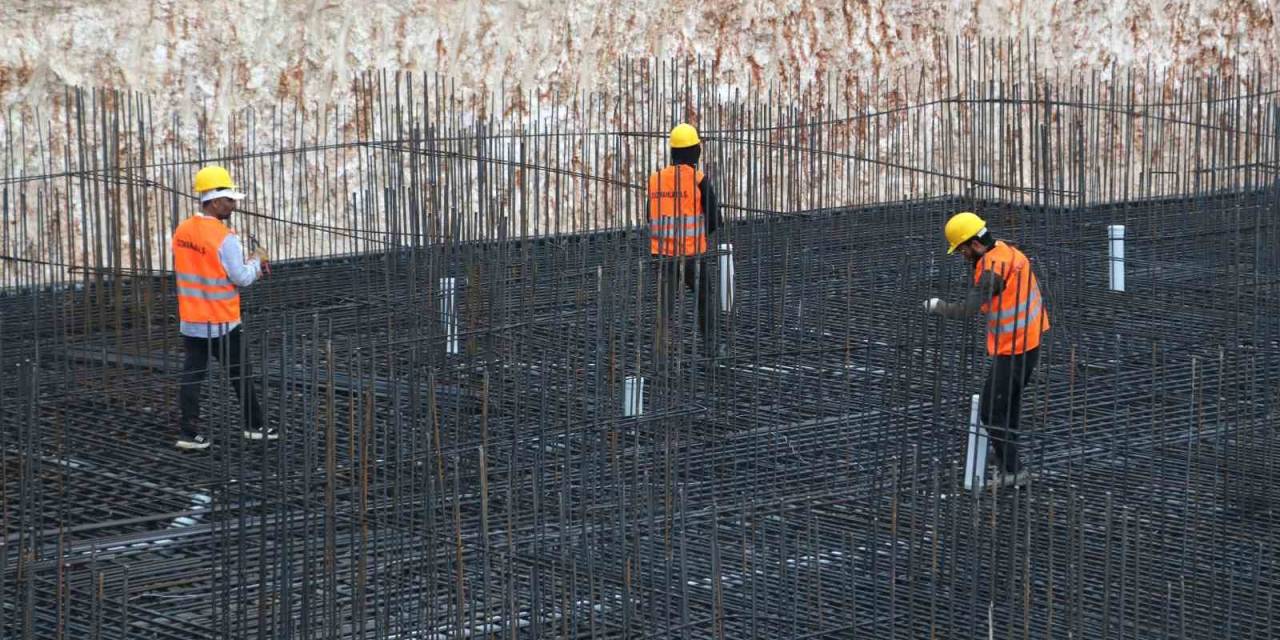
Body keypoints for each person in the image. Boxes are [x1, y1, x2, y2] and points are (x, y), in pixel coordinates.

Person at [924, 211, 1049, 487]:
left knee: (991, 411)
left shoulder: (995, 269)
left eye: (963, 249)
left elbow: (970, 308)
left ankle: (1014, 471)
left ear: (976, 244)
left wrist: (938, 307)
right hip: (1027, 344)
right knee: (1008, 406)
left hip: (1015, 348)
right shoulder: (1005, 251)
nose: (962, 255)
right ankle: (1007, 456)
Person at [171, 165, 274, 450]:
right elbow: (240, 277)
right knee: (241, 373)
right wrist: (257, 263)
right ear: (215, 201)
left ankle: (188, 433)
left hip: (192, 320)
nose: (233, 205)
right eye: (229, 199)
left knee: (192, 376)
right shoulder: (224, 237)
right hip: (222, 322)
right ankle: (255, 426)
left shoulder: (182, 231)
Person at [647, 123, 722, 359]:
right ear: (695, 151)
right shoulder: (699, 180)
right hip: (692, 256)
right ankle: (710, 349)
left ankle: (660, 354)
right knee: (705, 297)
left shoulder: (655, 179)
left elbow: (650, 215)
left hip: (663, 256)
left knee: (665, 306)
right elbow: (714, 220)